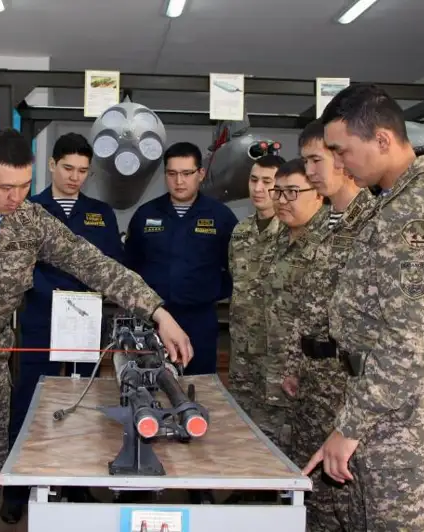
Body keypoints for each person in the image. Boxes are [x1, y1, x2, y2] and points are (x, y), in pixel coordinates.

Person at [0, 128, 193, 532]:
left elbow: (96, 264)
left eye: (25, 185)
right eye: (5, 187)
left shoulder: (31, 221)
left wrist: (159, 312)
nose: (16, 197)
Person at [302, 84, 424, 531]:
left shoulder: (415, 215)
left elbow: (409, 341)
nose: (339, 163)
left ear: (382, 140)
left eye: (342, 151)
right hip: (384, 405)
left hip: (405, 420)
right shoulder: (395, 204)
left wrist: (350, 427)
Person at [3, 133, 123, 521]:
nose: (74, 177)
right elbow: (16, 263)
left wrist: (82, 297)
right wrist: (52, 292)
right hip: (41, 318)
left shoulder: (100, 214)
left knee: (82, 400)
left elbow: (110, 265)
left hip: (86, 322)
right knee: (30, 400)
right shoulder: (28, 208)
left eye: (83, 171)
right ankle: (18, 488)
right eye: (68, 168)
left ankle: (77, 481)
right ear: (52, 165)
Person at [278, 120, 375, 531]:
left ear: (341, 157)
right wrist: (295, 364)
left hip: (349, 387)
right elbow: (306, 307)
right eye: (306, 161)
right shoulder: (321, 226)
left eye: (316, 160)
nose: (310, 171)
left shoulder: (373, 221)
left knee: (348, 503)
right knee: (313, 498)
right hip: (313, 382)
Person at [125, 141, 239, 375]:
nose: (179, 181)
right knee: (150, 382)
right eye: (172, 174)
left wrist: (210, 291)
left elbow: (236, 268)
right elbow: (130, 266)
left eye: (187, 173)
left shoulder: (220, 217)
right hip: (153, 319)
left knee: (200, 383)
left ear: (201, 174)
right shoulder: (146, 215)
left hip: (199, 320)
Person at [260, 158, 326, 451]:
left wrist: (296, 368)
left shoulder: (329, 244)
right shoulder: (276, 240)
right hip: (270, 369)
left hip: (310, 380)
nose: (282, 200)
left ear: (319, 194)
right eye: (278, 191)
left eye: (292, 192)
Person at [227, 154, 285, 417]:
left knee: (276, 425)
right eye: (254, 180)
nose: (258, 188)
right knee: (241, 421)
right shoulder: (241, 231)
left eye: (267, 182)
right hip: (242, 351)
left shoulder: (293, 232)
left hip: (277, 355)